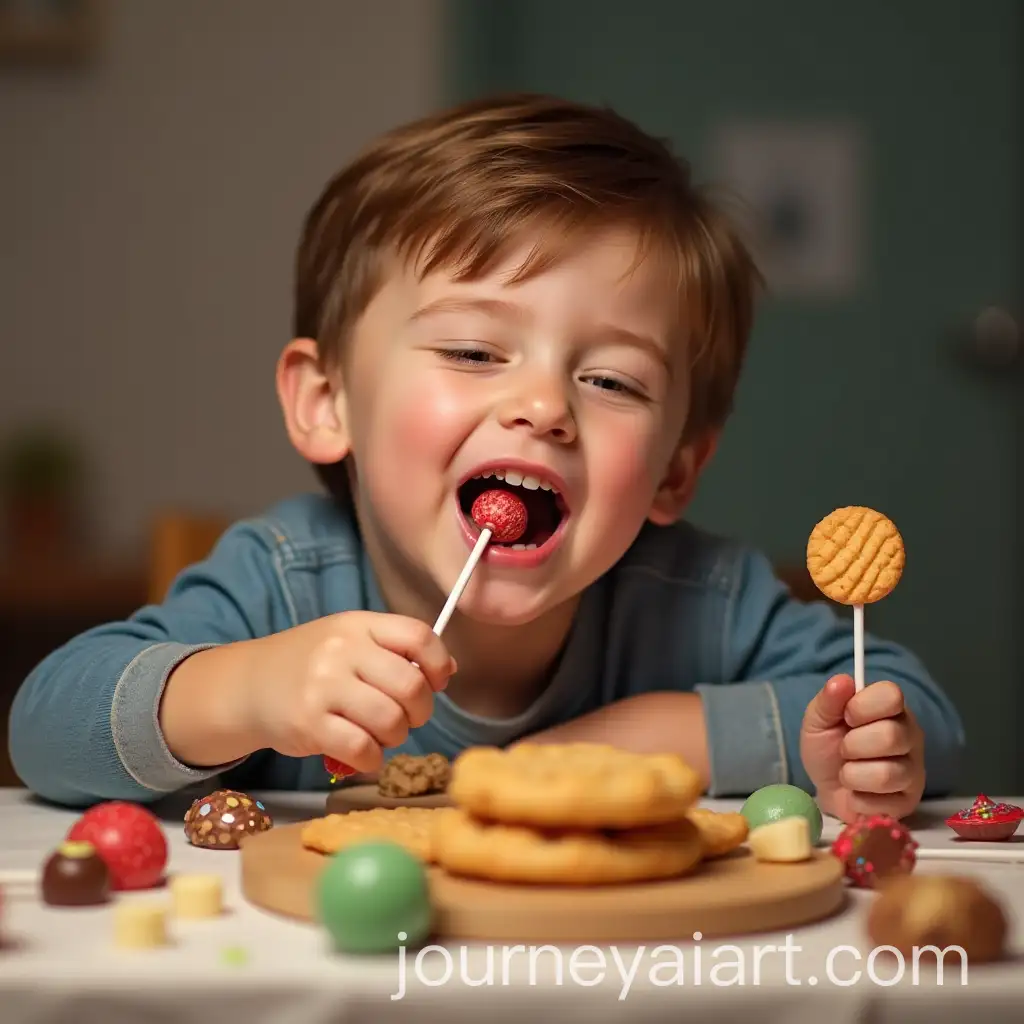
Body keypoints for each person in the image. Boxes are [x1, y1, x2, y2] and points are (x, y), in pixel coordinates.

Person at [8, 94, 963, 820]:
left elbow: (921, 712)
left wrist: (651, 738)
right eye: (473, 351)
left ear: (675, 469)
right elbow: (44, 727)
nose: (544, 406)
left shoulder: (700, 600)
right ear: (325, 401)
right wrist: (248, 690)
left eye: (613, 382)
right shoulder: (286, 582)